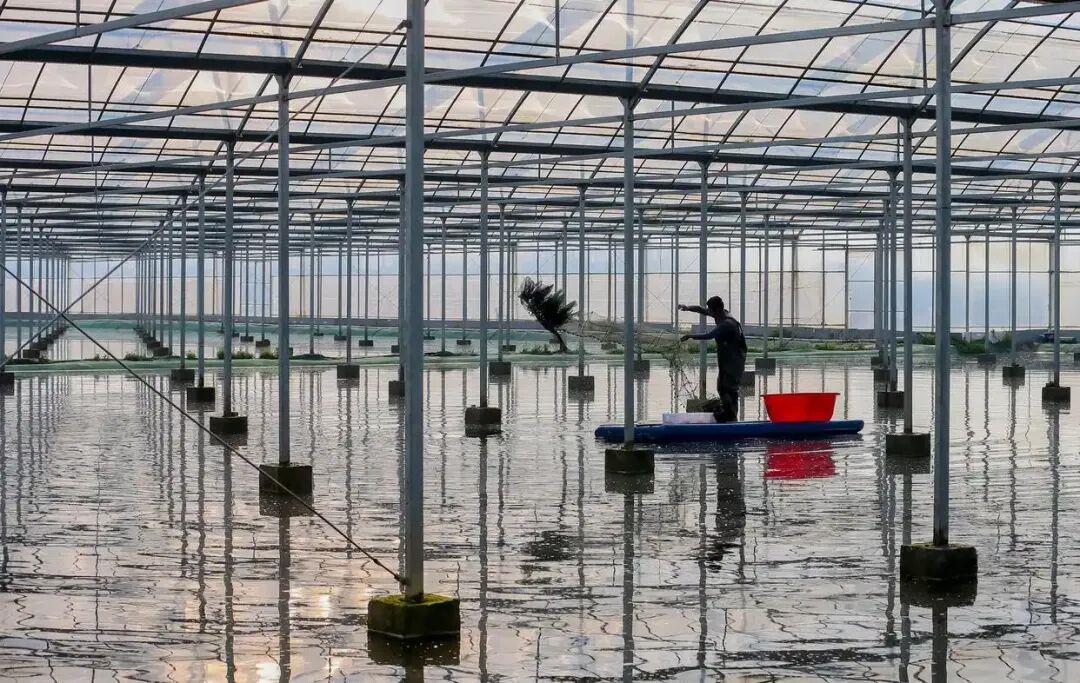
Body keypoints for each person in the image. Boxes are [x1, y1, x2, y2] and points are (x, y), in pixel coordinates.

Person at [679, 296, 747, 422]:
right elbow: (701, 309)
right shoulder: (720, 314)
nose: (708, 312)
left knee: (728, 388)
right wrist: (687, 308)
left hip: (734, 360)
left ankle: (731, 416)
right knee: (722, 387)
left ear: (717, 310)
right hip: (727, 358)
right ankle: (729, 414)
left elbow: (709, 335)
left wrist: (690, 336)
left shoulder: (726, 324)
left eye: (710, 310)